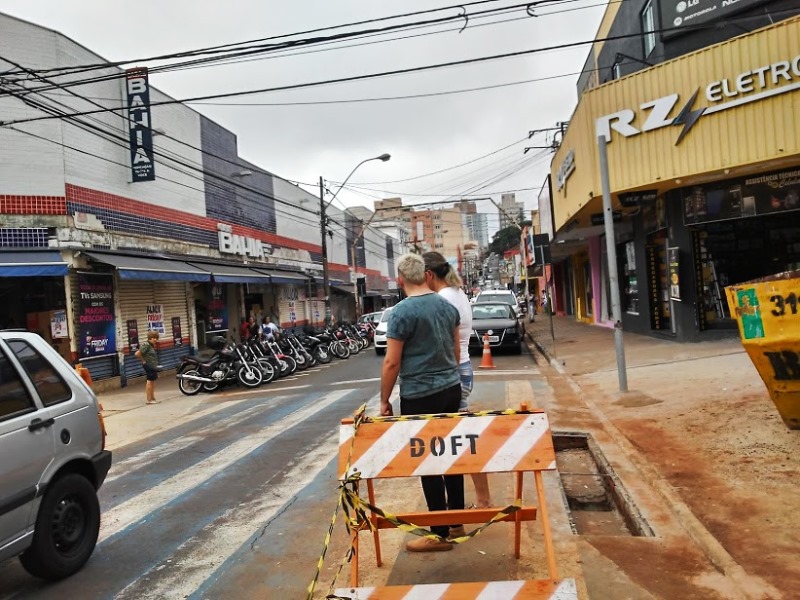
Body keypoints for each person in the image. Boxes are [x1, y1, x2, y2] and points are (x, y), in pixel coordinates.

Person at [380, 253, 463, 552]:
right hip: (450, 389)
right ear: (425, 275)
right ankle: (457, 521)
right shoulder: (446, 306)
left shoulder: (401, 313)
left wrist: (384, 400)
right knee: (451, 456)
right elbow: (455, 352)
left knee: (428, 461)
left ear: (401, 280)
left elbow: (392, 362)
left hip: (419, 395)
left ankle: (439, 534)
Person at [423, 251, 492, 510]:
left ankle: (482, 501)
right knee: (464, 438)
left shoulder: (443, 299)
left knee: (462, 442)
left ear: (429, 275)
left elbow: (447, 343)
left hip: (453, 370)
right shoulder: (456, 292)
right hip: (462, 367)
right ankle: (483, 499)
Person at [135, 331, 161, 405]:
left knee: (152, 382)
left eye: (156, 338)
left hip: (152, 365)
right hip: (148, 365)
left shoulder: (151, 345)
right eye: (153, 338)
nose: (155, 339)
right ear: (150, 338)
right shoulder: (146, 345)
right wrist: (143, 361)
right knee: (149, 381)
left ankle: (153, 398)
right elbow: (137, 353)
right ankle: (149, 400)